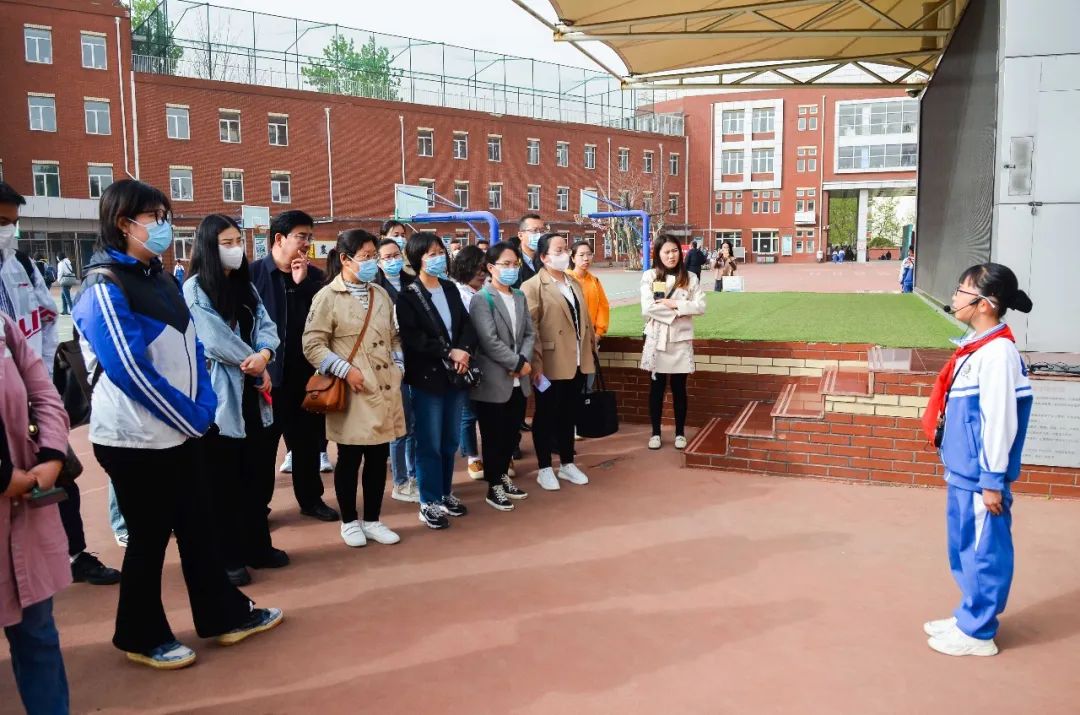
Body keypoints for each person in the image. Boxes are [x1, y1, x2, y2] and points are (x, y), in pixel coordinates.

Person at [74, 179, 282, 669]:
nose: (164, 226)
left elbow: (193, 348)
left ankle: (223, 615)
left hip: (179, 431)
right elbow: (128, 370)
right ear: (124, 223)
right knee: (148, 539)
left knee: (198, 528)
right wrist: (190, 417)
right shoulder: (104, 285)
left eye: (165, 216)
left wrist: (203, 407)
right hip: (133, 438)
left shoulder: (161, 278)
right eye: (155, 217)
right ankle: (141, 634)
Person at [0, 182, 118, 586]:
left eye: (12, 222)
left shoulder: (22, 265)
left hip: (31, 396)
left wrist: (40, 378)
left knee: (59, 472)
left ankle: (74, 554)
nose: (8, 231)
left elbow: (47, 320)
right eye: (1, 221)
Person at [921, 263, 1034, 658]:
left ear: (985, 303)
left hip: (979, 477)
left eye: (961, 289)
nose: (954, 296)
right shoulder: (978, 347)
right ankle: (968, 614)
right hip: (964, 471)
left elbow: (999, 421)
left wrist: (991, 480)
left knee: (984, 552)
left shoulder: (998, 353)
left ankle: (979, 630)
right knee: (964, 548)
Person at [183, 214, 286, 587]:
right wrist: (254, 362)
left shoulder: (246, 287)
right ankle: (228, 558)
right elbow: (213, 339)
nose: (235, 249)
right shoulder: (195, 288)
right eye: (226, 243)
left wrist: (265, 355)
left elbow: (267, 326)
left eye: (238, 241)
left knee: (256, 476)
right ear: (209, 247)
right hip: (221, 397)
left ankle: (257, 546)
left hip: (253, 394)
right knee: (223, 482)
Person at [304, 229, 405, 548]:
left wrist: (399, 365)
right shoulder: (328, 296)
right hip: (353, 389)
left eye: (374, 256)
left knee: (378, 457)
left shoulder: (381, 294)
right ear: (345, 259)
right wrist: (346, 370)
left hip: (384, 387)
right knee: (349, 457)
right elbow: (312, 344)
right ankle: (349, 520)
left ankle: (373, 519)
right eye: (366, 257)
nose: (372, 262)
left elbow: (394, 336)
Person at [0, 311, 71, 713]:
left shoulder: (3, 326)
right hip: (12, 487)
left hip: (25, 505)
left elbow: (44, 394)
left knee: (38, 634)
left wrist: (52, 456)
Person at [250, 210, 339, 522]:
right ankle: (258, 506)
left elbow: (325, 319)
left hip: (306, 378)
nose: (307, 243)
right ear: (279, 238)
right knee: (262, 448)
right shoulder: (253, 275)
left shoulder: (315, 278)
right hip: (266, 379)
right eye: (301, 236)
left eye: (310, 237)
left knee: (307, 443)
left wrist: (302, 286)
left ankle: (311, 499)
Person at [396, 232, 478, 530]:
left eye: (440, 252)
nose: (438, 258)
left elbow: (466, 324)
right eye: (430, 254)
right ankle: (428, 501)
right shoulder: (408, 295)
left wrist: (464, 350)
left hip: (455, 375)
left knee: (450, 440)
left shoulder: (450, 288)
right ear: (417, 258)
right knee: (428, 442)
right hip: (427, 378)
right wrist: (448, 351)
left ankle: (445, 493)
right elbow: (413, 337)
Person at [521, 233, 596, 491]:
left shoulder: (572, 282)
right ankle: (544, 467)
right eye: (559, 250)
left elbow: (582, 320)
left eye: (566, 249)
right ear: (544, 257)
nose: (565, 254)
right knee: (545, 415)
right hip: (550, 362)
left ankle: (567, 462)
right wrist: (536, 365)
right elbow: (530, 330)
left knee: (568, 414)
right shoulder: (533, 286)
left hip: (577, 360)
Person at [469, 242, 534, 511]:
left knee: (510, 435)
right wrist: (516, 362)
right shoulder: (482, 299)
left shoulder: (519, 296)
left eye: (514, 264)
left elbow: (529, 333)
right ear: (490, 267)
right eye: (505, 264)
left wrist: (523, 362)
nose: (511, 269)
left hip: (519, 379)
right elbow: (488, 340)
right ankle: (493, 485)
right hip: (494, 380)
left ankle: (504, 477)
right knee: (493, 436)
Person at [641, 235, 707, 450]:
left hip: (680, 340)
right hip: (658, 339)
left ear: (681, 252)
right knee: (657, 388)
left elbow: (700, 306)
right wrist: (680, 311)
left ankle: (680, 432)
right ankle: (655, 433)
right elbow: (648, 307)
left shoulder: (690, 277)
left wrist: (674, 304)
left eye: (675, 251)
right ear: (658, 254)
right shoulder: (651, 276)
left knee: (679, 388)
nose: (671, 256)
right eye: (666, 252)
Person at [375, 237, 419, 503]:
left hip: (417, 359)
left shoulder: (412, 283)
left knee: (414, 424)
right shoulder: (374, 287)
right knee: (398, 425)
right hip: (391, 363)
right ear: (378, 261)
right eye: (387, 257)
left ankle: (413, 476)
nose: (393, 260)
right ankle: (400, 481)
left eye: (396, 255)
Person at [449, 245, 486, 480]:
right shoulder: (457, 293)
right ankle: (472, 456)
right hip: (466, 360)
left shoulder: (487, 291)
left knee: (488, 410)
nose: (481, 274)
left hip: (488, 360)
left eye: (484, 268)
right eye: (476, 269)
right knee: (468, 412)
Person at [570, 240, 610, 344]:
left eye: (589, 254)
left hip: (591, 336)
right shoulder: (566, 279)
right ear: (573, 258)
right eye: (581, 255)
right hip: (569, 337)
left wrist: (598, 333)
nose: (586, 258)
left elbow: (603, 307)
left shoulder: (594, 281)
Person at [512, 213, 545, 288]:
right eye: (534, 230)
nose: (539, 235)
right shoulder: (512, 261)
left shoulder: (547, 259)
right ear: (520, 235)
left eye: (542, 231)